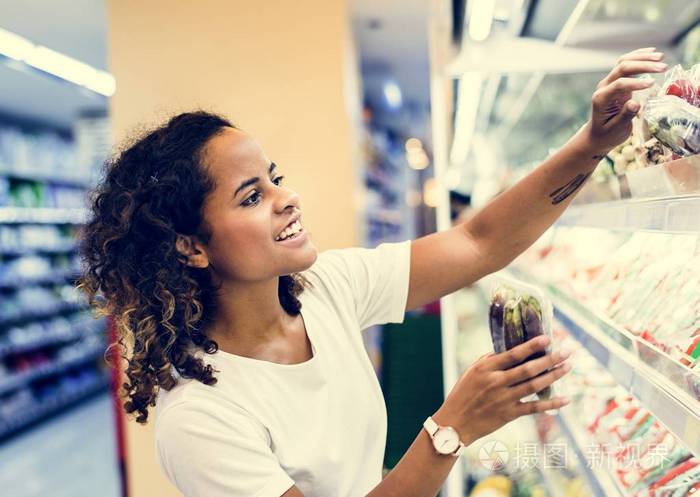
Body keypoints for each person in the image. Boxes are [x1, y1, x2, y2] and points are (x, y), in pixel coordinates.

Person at [79, 48, 666, 497]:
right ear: (191, 248)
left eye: (275, 178)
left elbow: (477, 241)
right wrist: (451, 428)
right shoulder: (201, 419)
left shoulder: (324, 290)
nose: (287, 199)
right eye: (251, 196)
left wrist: (593, 144)